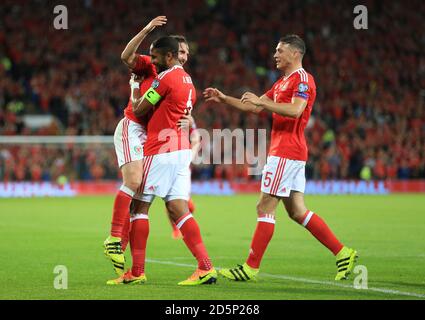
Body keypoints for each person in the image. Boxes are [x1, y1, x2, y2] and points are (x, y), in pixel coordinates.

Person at [203, 34, 358, 281]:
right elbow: (254, 106)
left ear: (295, 53)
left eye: (279, 50)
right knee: (297, 211)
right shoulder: (281, 82)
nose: (275, 54)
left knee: (264, 206)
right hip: (289, 152)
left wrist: (265, 104)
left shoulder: (303, 80)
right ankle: (343, 252)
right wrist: (224, 99)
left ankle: (250, 267)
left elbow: (296, 110)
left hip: (286, 152)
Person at [111, 36, 217, 286]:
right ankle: (205, 267)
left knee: (138, 208)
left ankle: (136, 272)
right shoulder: (189, 81)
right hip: (180, 150)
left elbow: (138, 110)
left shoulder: (165, 78)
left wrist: (135, 87)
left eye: (157, 57)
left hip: (161, 149)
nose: (154, 62)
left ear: (169, 57)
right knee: (178, 209)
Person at [103, 16, 167, 277]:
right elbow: (126, 55)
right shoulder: (149, 67)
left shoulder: (174, 77)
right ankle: (114, 238)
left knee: (140, 200)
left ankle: (131, 268)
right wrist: (147, 29)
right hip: (132, 127)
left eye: (187, 53)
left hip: (152, 137)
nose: (185, 57)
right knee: (133, 181)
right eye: (180, 52)